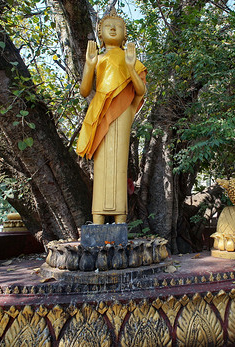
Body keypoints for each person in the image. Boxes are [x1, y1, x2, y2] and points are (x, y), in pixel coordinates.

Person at [76, 7, 147, 225]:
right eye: (108, 26)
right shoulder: (98, 58)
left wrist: (130, 67)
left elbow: (141, 91)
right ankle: (97, 215)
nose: (113, 29)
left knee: (119, 161)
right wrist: (89, 66)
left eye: (118, 26)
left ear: (125, 34)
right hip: (101, 108)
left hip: (123, 109)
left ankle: (119, 216)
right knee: (102, 163)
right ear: (100, 34)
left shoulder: (130, 58)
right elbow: (85, 91)